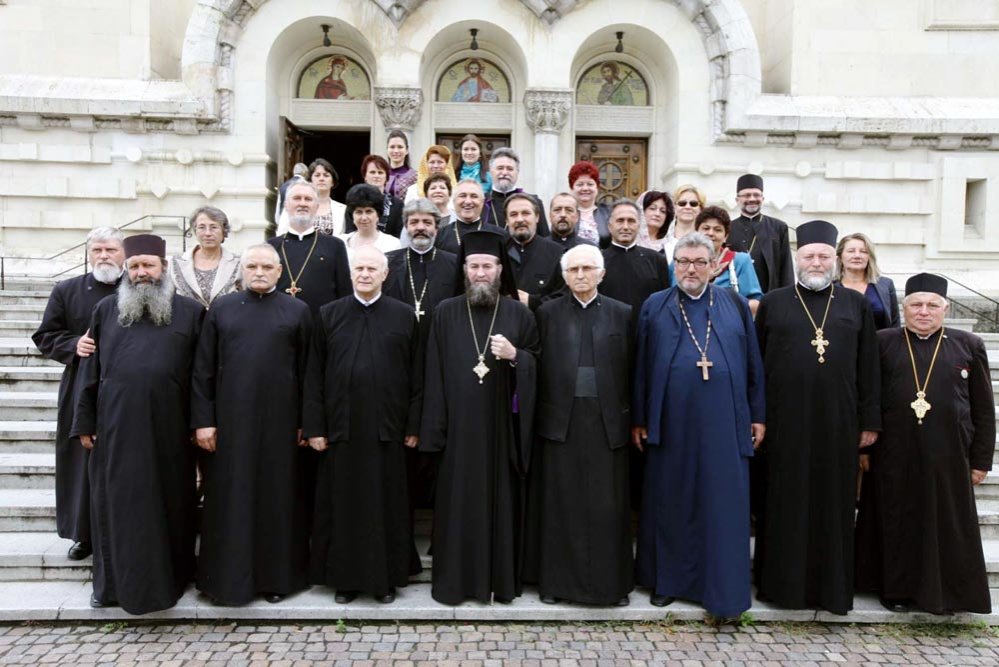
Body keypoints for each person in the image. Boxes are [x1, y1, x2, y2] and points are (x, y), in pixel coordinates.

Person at [632, 233, 765, 618]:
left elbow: (754, 363)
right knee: (670, 499)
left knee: (722, 502)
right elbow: (640, 367)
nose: (691, 269)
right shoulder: (655, 306)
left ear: (715, 266)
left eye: (699, 262)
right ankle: (667, 582)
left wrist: (758, 415)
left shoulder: (735, 304)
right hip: (671, 421)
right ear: (674, 264)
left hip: (725, 423)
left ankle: (721, 587)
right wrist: (640, 418)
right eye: (683, 261)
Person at [753, 219, 881, 615]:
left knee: (834, 503)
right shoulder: (774, 302)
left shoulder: (855, 304)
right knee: (782, 501)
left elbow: (869, 367)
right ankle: (780, 587)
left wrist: (869, 422)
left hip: (838, 424)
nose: (816, 262)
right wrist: (757, 415)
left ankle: (831, 589)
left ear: (835, 260)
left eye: (824, 256)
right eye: (809, 256)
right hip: (783, 422)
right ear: (798, 258)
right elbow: (755, 366)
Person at [71, 234, 203, 614]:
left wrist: (200, 424)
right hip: (116, 428)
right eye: (135, 266)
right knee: (115, 507)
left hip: (170, 429)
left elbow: (200, 375)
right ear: (126, 270)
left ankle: (172, 580)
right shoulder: (104, 311)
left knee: (171, 504)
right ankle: (110, 586)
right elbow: (90, 371)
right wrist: (85, 421)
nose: (142, 272)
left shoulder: (191, 313)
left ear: (164, 268)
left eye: (149, 265)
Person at [855, 274, 994, 615]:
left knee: (944, 525)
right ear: (903, 308)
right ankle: (896, 590)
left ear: (945, 308)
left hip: (948, 455)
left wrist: (981, 460)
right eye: (916, 305)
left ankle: (946, 593)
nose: (923, 311)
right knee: (897, 521)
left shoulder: (968, 344)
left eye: (932, 305)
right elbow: (867, 395)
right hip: (893, 453)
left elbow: (983, 407)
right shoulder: (883, 341)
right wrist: (863, 448)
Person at [419, 228, 539, 605]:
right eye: (474, 266)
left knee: (501, 503)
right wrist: (435, 430)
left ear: (501, 270)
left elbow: (539, 364)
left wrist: (517, 356)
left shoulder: (519, 314)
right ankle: (456, 584)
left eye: (488, 266)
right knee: (457, 505)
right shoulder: (445, 312)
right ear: (465, 270)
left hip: (502, 431)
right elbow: (433, 371)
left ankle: (499, 582)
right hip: (457, 432)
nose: (481, 273)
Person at [191, 244, 312, 605]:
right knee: (230, 500)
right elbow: (203, 370)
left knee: (277, 500)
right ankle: (224, 581)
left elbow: (310, 373)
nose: (259, 272)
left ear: (279, 272)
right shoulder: (222, 309)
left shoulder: (298, 311)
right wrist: (203, 422)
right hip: (230, 426)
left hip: (281, 425)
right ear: (242, 271)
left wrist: (307, 421)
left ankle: (277, 580)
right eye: (252, 266)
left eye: (266, 266)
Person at [305, 246, 423, 604]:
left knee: (385, 506)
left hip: (388, 429)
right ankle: (344, 580)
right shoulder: (328, 315)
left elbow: (418, 375)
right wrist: (315, 427)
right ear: (351, 273)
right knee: (342, 505)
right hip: (341, 430)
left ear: (385, 274)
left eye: (373, 268)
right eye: (360, 268)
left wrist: (413, 424)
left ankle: (385, 579)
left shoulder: (405, 316)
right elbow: (313, 374)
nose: (366, 274)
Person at [527, 244, 635, 606]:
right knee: (561, 507)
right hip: (561, 424)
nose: (581, 275)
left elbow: (636, 370)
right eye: (573, 270)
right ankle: (556, 585)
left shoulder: (623, 314)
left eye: (588, 268)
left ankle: (612, 587)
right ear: (564, 275)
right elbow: (535, 362)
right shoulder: (547, 313)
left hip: (608, 426)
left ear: (602, 274)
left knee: (608, 508)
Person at [32, 227, 124, 562]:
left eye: (111, 249)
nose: (104, 256)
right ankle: (83, 534)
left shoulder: (138, 286)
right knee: (80, 462)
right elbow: (45, 336)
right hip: (81, 386)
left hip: (127, 389)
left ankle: (120, 529)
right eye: (98, 250)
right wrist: (74, 344)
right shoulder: (67, 289)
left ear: (123, 253)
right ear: (88, 253)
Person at [266, 181, 352, 315]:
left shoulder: (335, 246)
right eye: (297, 198)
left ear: (316, 206)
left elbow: (345, 294)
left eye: (308, 199)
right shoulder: (270, 247)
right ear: (286, 205)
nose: (302, 203)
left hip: (321, 327)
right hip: (279, 325)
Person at [384, 199, 458, 341]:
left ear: (437, 229)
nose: (420, 227)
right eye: (414, 222)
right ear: (406, 227)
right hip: (398, 340)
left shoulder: (453, 264)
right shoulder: (388, 262)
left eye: (427, 222)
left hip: (440, 340)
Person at [600, 199, 672, 331]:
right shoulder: (597, 261)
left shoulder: (656, 260)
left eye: (631, 221)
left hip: (646, 334)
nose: (626, 226)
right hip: (607, 336)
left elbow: (664, 303)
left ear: (639, 226)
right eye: (620, 221)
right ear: (610, 226)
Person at [726, 174, 793, 293]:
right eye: (747, 195)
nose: (752, 199)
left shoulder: (778, 227)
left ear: (762, 199)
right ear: (737, 200)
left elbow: (786, 269)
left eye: (756, 195)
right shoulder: (727, 228)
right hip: (735, 296)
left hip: (769, 296)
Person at [692, 206, 763, 315]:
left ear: (726, 236)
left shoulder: (740, 261)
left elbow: (756, 303)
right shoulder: (682, 261)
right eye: (706, 228)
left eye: (718, 229)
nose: (711, 233)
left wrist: (725, 305)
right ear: (696, 232)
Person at [169, 206, 241, 308]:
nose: (207, 233)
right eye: (202, 227)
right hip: (188, 322)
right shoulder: (175, 263)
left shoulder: (238, 264)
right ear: (195, 231)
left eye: (214, 227)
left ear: (224, 231)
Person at [505, 193, 565, 310]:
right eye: (513, 214)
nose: (520, 219)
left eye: (526, 213)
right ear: (507, 220)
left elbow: (563, 297)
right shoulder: (497, 251)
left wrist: (533, 301)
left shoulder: (556, 253)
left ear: (537, 217)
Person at [835, 232, 899, 330]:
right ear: (840, 257)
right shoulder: (831, 287)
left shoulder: (885, 285)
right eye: (851, 251)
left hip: (879, 344)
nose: (857, 255)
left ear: (869, 257)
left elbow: (895, 323)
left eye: (864, 251)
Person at [480, 147, 549, 235]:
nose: (504, 173)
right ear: (491, 171)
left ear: (517, 172)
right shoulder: (480, 202)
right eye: (500, 168)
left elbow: (544, 238)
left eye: (510, 169)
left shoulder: (534, 202)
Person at [435, 179, 502, 255]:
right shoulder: (439, 236)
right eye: (462, 196)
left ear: (482, 202)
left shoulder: (499, 235)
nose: (468, 201)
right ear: (454, 201)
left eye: (474, 196)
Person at [345, 154, 403, 238]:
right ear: (365, 176)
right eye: (372, 172)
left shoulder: (398, 205)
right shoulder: (354, 200)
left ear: (386, 177)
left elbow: (399, 234)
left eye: (380, 172)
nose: (376, 176)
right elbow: (350, 231)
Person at [337, 184, 402, 257]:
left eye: (369, 211)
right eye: (359, 212)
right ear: (352, 215)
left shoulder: (392, 244)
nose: (364, 217)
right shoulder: (340, 243)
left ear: (378, 214)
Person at [568, 161, 610, 247]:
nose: (585, 188)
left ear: (597, 187)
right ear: (572, 187)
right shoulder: (565, 212)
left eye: (590, 184)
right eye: (580, 184)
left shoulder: (608, 212)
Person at [659, 184, 704, 261]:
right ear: (674, 207)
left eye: (693, 204)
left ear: (701, 209)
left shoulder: (705, 239)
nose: (688, 207)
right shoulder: (661, 236)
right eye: (682, 203)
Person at [308, 158, 348, 236]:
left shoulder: (343, 210)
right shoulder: (300, 205)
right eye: (317, 175)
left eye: (326, 175)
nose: (321, 179)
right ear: (310, 181)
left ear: (332, 182)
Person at [636, 190, 676, 255]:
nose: (657, 214)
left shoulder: (672, 245)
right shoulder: (630, 241)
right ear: (642, 211)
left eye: (663, 211)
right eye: (652, 208)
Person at [385, 130, 418, 201]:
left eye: (400, 147)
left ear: (407, 150)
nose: (396, 151)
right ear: (387, 149)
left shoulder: (415, 176)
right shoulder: (381, 174)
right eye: (392, 147)